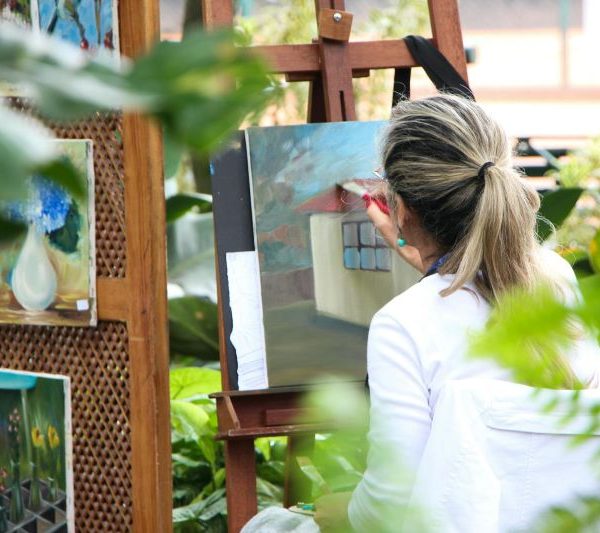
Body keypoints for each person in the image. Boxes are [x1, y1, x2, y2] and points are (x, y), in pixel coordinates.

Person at [311, 94, 600, 532]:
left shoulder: (403, 324)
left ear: (401, 209)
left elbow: (394, 493)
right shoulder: (556, 278)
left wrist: (346, 513)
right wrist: (434, 271)